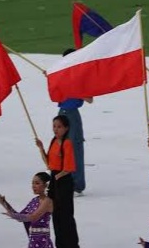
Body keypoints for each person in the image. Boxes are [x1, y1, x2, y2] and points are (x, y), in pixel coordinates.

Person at [35, 115, 80, 248]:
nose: (56, 129)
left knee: (66, 215)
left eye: (59, 127)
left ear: (66, 128)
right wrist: (41, 148)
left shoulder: (67, 143)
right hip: (55, 180)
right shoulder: (54, 141)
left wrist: (57, 177)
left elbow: (69, 168)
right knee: (56, 216)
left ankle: (71, 244)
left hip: (64, 182)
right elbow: (49, 163)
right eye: (54, 126)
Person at [56, 47, 93, 196]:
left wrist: (76, 89)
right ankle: (64, 181)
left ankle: (77, 184)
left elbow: (89, 99)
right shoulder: (61, 75)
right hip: (61, 113)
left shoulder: (80, 78)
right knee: (61, 149)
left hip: (72, 115)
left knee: (74, 148)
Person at [0, 172, 54, 248]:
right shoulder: (34, 200)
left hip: (43, 241)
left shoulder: (47, 201)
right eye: (32, 183)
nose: (33, 186)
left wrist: (13, 215)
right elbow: (20, 217)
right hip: (33, 240)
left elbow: (33, 217)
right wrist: (4, 203)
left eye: (37, 183)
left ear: (46, 185)